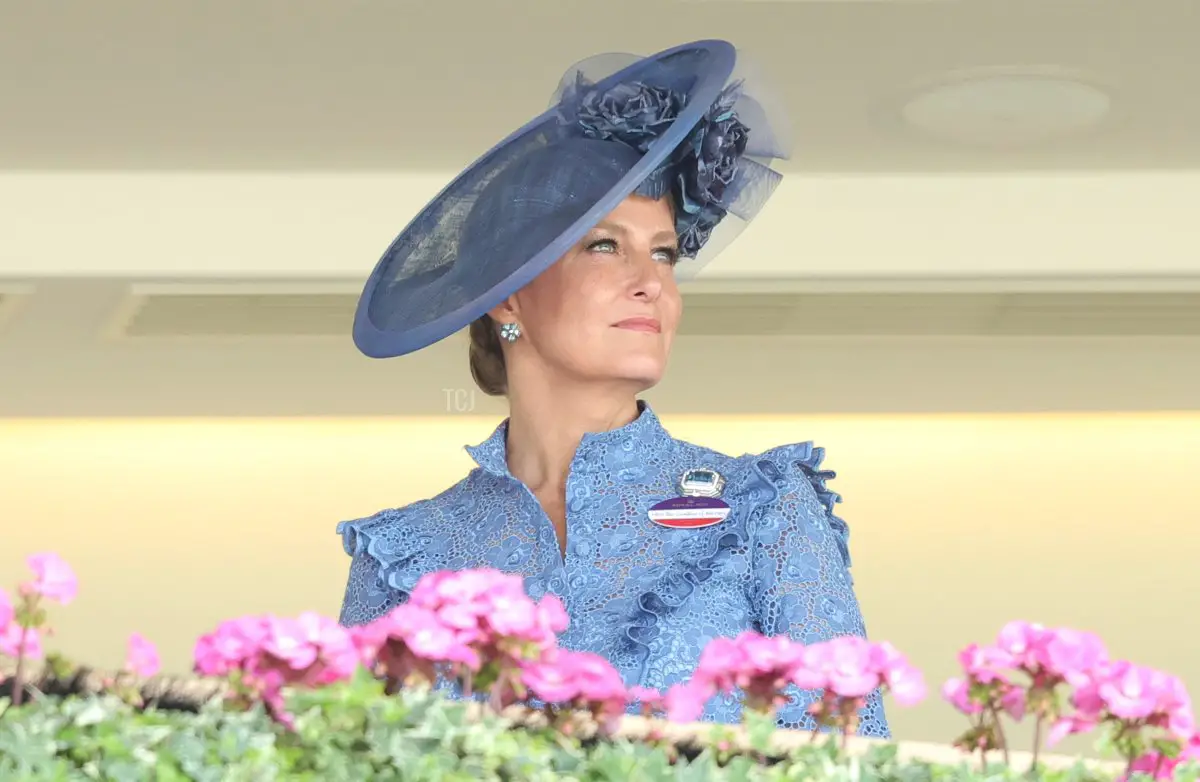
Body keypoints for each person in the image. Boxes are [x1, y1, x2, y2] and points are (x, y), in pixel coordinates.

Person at [336, 40, 889, 737]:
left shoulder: (764, 508)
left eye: (663, 252)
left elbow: (857, 755)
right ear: (508, 299)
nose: (651, 281)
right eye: (605, 245)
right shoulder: (403, 554)